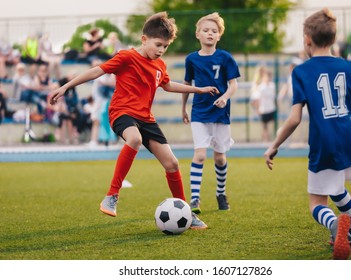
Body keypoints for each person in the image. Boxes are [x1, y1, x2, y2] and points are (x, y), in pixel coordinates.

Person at [48, 12, 219, 229]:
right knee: (135, 139)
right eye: (158, 44)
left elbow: (167, 85)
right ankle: (112, 195)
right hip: (122, 113)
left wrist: (198, 89)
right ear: (144, 39)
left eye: (165, 46)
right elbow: (96, 71)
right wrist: (65, 86)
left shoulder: (160, 65)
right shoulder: (126, 57)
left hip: (146, 119)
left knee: (172, 163)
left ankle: (185, 210)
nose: (161, 50)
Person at [263, 8, 351, 260]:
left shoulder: (301, 71)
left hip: (323, 139)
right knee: (336, 186)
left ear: (307, 39)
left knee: (317, 204)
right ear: (333, 38)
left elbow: (295, 118)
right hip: (347, 136)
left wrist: (274, 144)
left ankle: (335, 225)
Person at [181, 12, 240, 213]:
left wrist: (225, 97)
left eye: (214, 31)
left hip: (220, 114)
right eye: (206, 30)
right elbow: (186, 85)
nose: (210, 34)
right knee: (199, 155)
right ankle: (195, 199)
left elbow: (233, 85)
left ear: (219, 36)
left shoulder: (225, 58)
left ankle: (220, 193)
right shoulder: (191, 59)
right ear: (198, 34)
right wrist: (183, 108)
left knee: (220, 158)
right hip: (199, 113)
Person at [250, 67, 276, 142]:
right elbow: (257, 99)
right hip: (264, 109)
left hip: (271, 108)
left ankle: (271, 140)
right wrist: (257, 109)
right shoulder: (261, 87)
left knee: (271, 126)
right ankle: (265, 140)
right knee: (265, 127)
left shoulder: (272, 85)